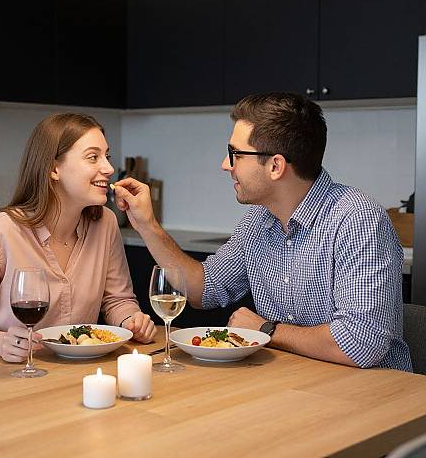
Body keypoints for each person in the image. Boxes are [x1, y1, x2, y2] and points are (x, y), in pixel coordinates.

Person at [112, 92, 412, 371]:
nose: (225, 165)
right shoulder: (257, 220)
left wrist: (267, 329)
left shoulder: (357, 219)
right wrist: (146, 225)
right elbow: (205, 290)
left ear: (275, 166)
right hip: (293, 381)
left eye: (235, 154)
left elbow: (360, 344)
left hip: (373, 396)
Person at [0, 113, 156, 363]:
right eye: (92, 157)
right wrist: (0, 343)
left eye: (106, 156)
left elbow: (117, 300)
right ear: (54, 169)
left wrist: (131, 319)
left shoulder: (105, 224)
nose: (109, 169)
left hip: (65, 374)